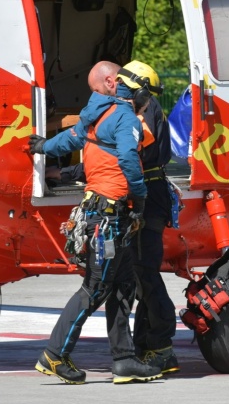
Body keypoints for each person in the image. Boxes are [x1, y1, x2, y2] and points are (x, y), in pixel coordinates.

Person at [29, 61, 162, 384]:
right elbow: (130, 159)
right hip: (110, 216)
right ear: (140, 92)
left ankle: (124, 359)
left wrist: (43, 146)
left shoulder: (96, 114)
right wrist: (140, 197)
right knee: (95, 288)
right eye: (150, 95)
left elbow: (70, 140)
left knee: (124, 283)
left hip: (100, 214)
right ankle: (54, 355)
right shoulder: (125, 117)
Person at [117, 60, 180, 374]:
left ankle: (163, 347)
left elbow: (131, 154)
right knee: (142, 275)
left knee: (146, 274)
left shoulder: (147, 110)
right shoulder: (143, 108)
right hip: (148, 195)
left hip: (149, 197)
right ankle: (147, 344)